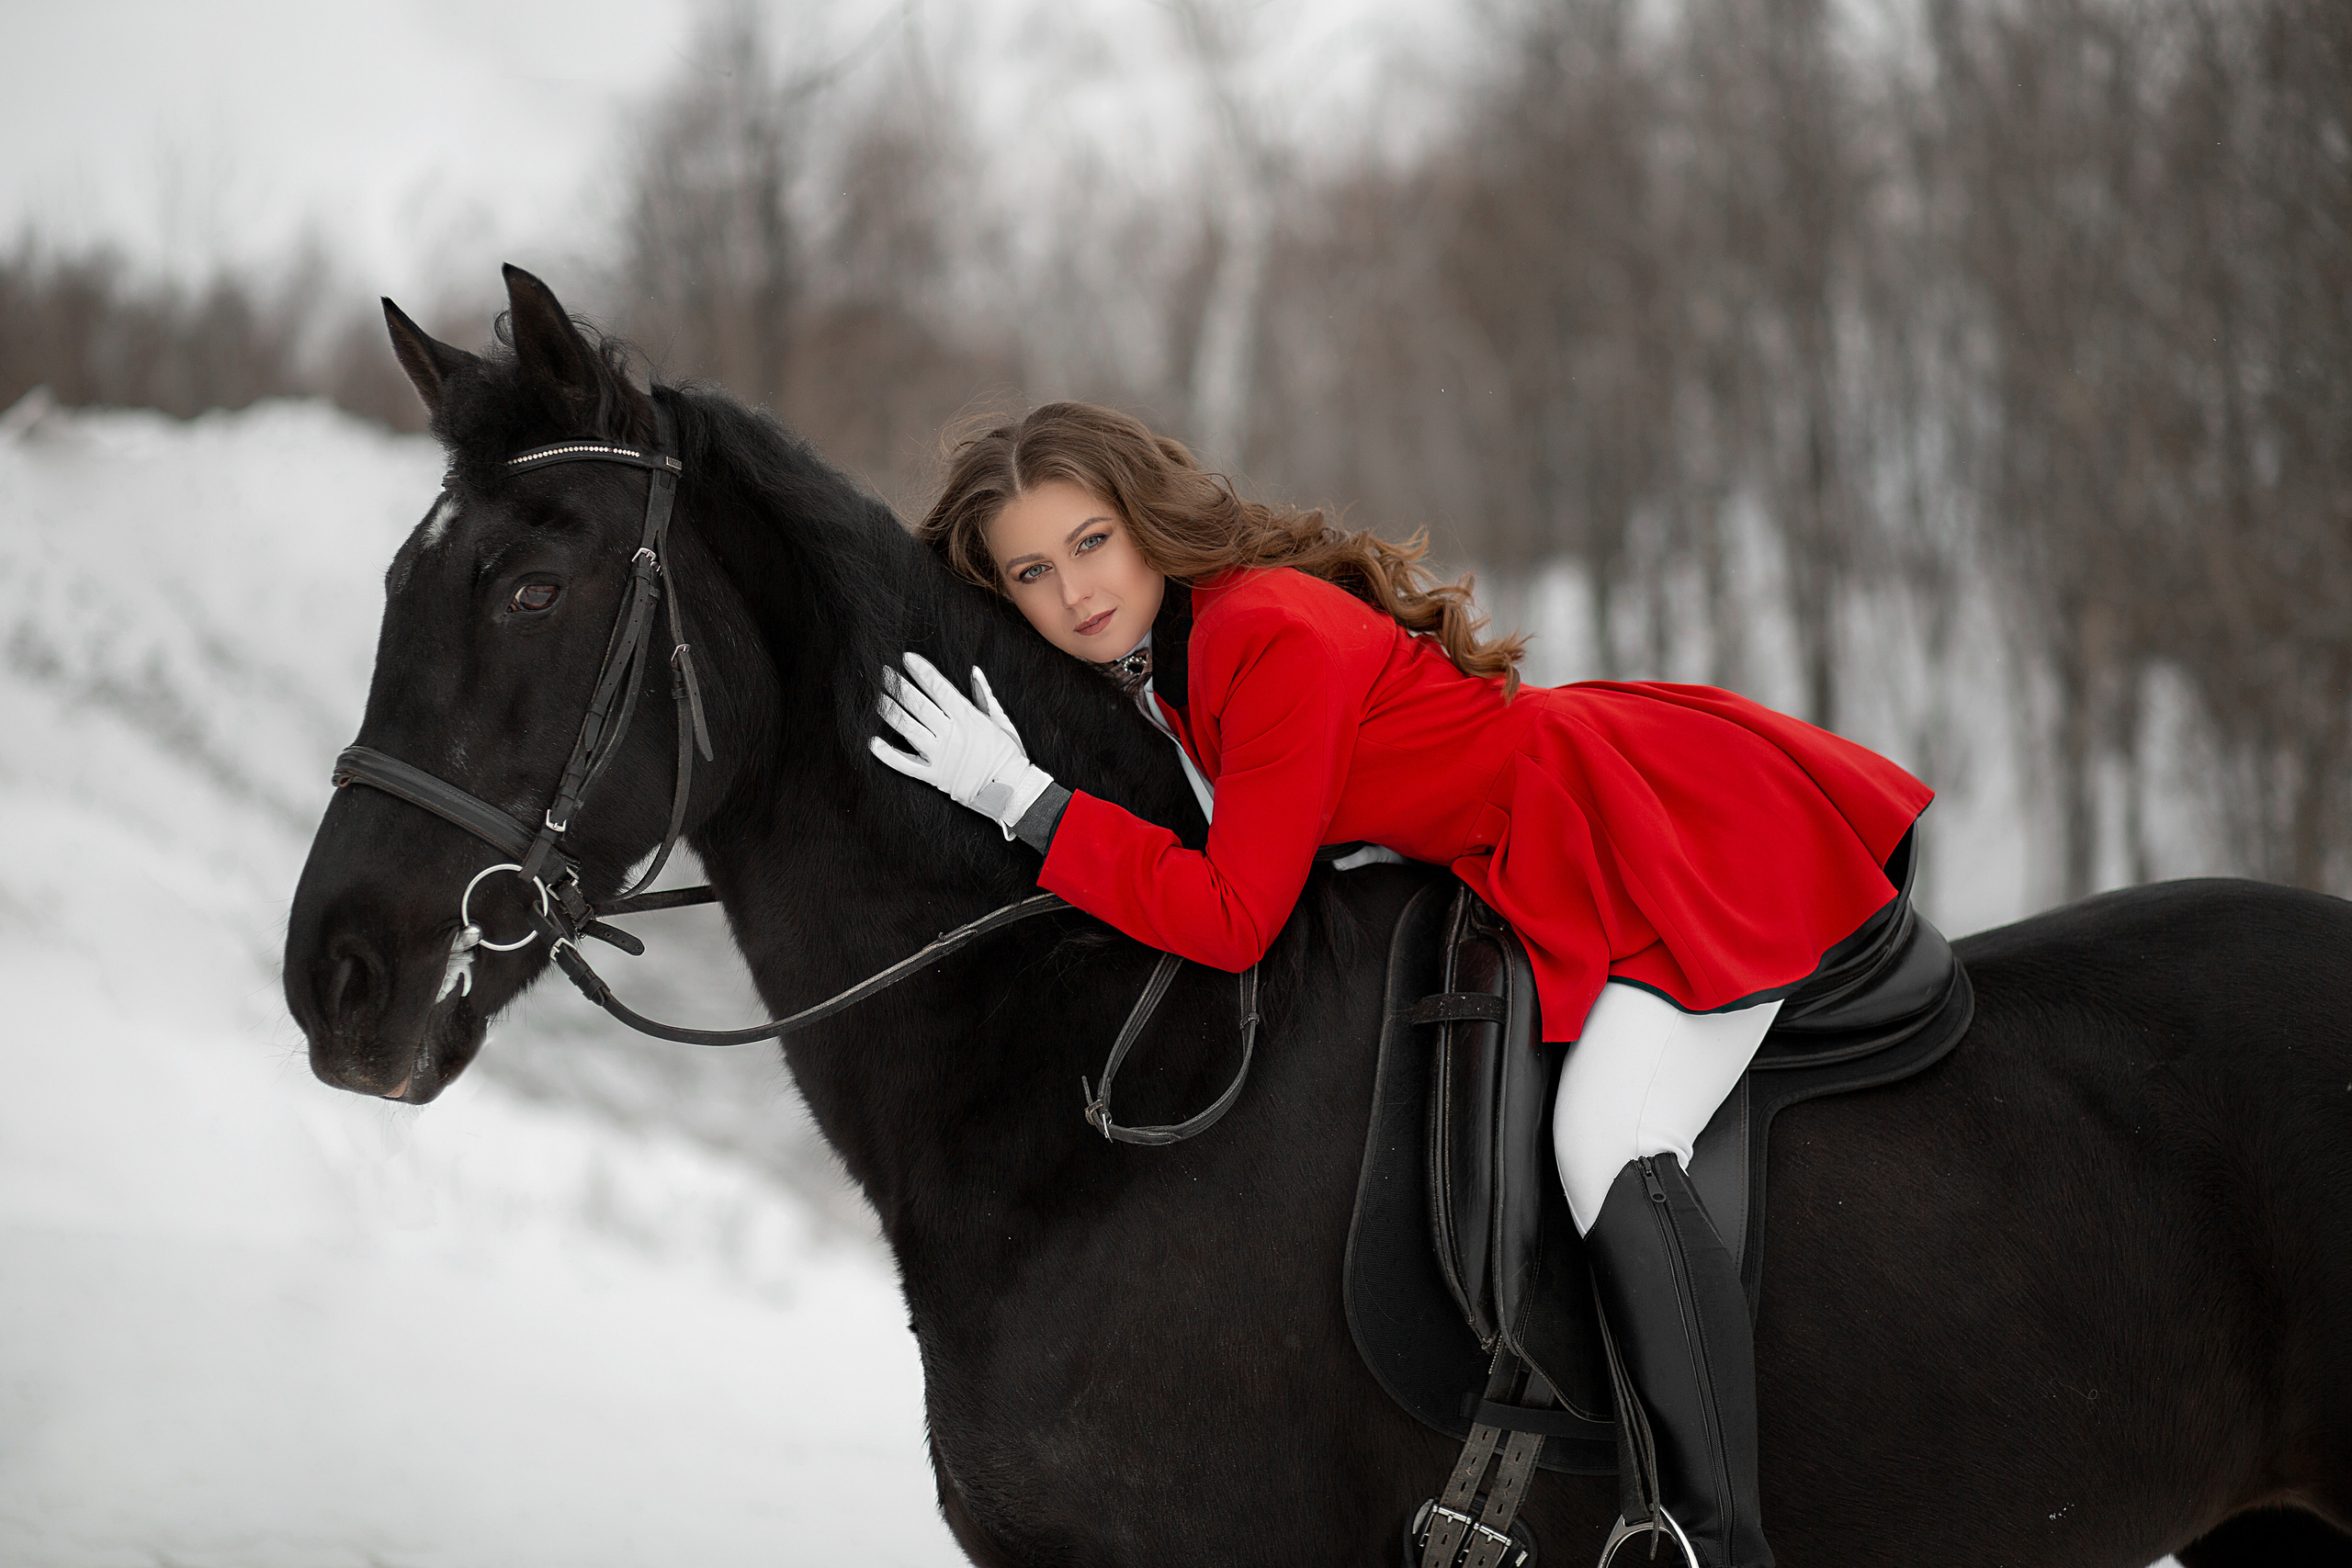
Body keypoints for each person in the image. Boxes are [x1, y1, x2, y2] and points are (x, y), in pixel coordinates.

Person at [869, 401, 1931, 1568]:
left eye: (1090, 542)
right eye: (1031, 570)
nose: (1073, 591)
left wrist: (1028, 806)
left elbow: (1232, 919)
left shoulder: (1254, 636)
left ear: (1145, 523)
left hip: (1663, 835)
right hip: (1545, 841)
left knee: (1608, 1140)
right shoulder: (1170, 659)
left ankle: (1709, 1538)